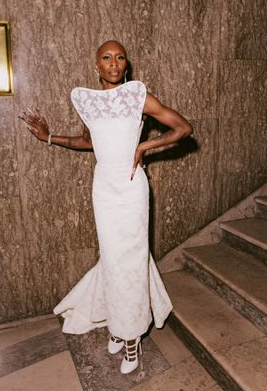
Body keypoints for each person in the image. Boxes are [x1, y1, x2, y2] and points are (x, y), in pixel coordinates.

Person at [20, 40, 193, 374]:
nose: (114, 63)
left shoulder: (138, 96)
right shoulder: (86, 100)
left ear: (126, 65)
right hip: (103, 190)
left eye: (120, 58)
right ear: (96, 65)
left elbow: (183, 128)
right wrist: (50, 137)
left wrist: (145, 145)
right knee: (114, 260)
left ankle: (131, 339)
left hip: (131, 189)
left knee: (129, 262)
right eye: (106, 58)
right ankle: (117, 321)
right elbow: (89, 141)